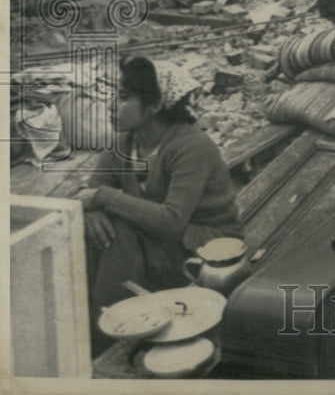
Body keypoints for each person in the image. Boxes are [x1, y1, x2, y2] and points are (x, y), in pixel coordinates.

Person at [77, 56, 243, 354]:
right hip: (154, 238)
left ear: (155, 106)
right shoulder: (123, 145)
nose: (113, 105)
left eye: (125, 97)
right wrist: (91, 212)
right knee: (95, 231)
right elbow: (90, 192)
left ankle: (109, 339)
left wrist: (103, 199)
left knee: (119, 229)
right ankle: (107, 325)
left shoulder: (191, 146)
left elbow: (171, 221)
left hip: (205, 244)